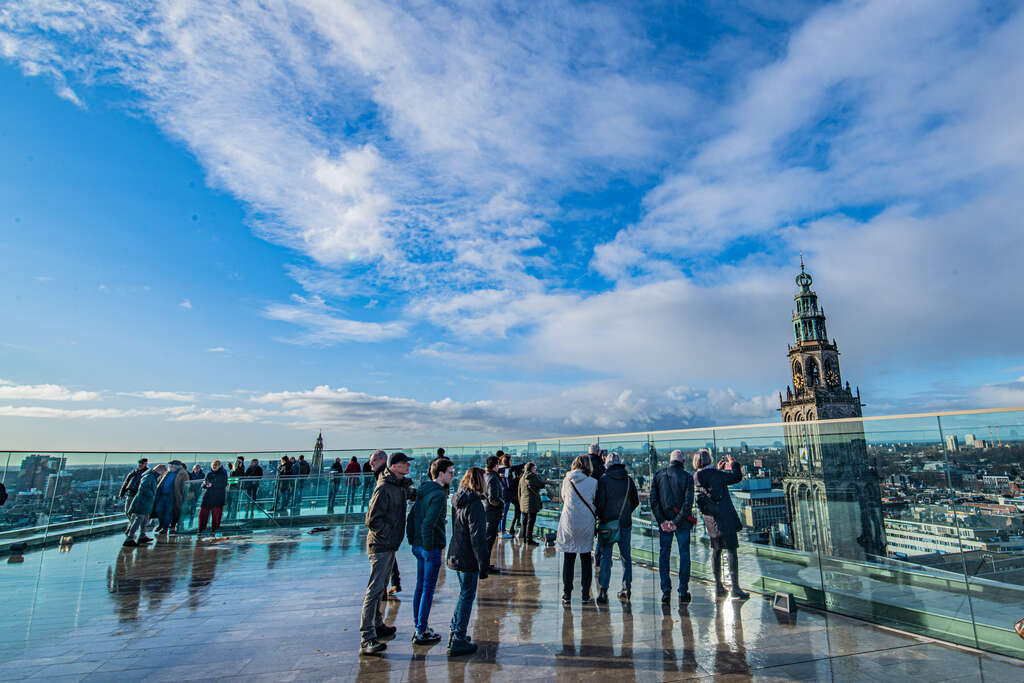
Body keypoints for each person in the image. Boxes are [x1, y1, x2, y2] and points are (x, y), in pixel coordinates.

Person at [359, 452, 413, 656]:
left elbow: (412, 494)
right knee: (374, 590)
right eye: (404, 463)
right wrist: (388, 534)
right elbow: (372, 520)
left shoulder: (397, 485)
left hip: (389, 544)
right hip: (381, 545)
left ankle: (377, 624)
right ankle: (367, 637)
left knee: (380, 587)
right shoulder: (384, 488)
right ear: (394, 466)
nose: (408, 466)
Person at [407, 457, 455, 645]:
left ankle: (419, 625)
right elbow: (429, 523)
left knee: (420, 586)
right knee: (428, 588)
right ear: (440, 473)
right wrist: (429, 547)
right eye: (450, 472)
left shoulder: (423, 490)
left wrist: (413, 540)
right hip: (430, 547)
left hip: (418, 545)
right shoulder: (439, 495)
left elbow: (412, 517)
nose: (452, 476)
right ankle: (421, 630)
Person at [445, 466, 489, 656]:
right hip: (468, 556)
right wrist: (483, 562)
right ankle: (459, 638)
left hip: (456, 552)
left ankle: (455, 631)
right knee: (467, 596)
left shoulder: (458, 499)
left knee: (464, 593)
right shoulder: (475, 504)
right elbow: (478, 536)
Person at [693, 450, 749, 600]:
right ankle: (735, 588)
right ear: (709, 459)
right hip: (725, 517)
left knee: (716, 551)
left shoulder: (696, 476)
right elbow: (736, 477)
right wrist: (733, 463)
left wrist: (718, 470)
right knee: (731, 551)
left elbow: (711, 485)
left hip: (711, 520)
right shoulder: (716, 475)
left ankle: (718, 586)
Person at [651, 449, 696, 604]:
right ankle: (683, 591)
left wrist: (663, 521)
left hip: (664, 523)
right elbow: (688, 503)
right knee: (684, 555)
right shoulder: (687, 477)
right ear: (683, 461)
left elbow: (654, 501)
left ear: (670, 460)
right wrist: (675, 522)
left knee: (664, 554)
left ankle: (666, 590)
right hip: (681, 523)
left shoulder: (658, 475)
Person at [594, 452, 639, 602]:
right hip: (625, 523)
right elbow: (635, 501)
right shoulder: (628, 480)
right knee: (626, 557)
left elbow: (600, 504)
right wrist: (626, 513)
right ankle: (626, 588)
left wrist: (603, 517)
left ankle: (603, 590)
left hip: (608, 524)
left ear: (607, 464)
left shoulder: (603, 480)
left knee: (606, 556)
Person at [556, 456, 597, 604]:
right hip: (586, 522)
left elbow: (564, 497)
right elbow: (594, 500)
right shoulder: (593, 482)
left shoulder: (567, 480)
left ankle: (567, 593)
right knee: (586, 558)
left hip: (569, 521)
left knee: (569, 558)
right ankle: (585, 594)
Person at [124, 464, 163, 547]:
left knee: (144, 519)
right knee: (139, 519)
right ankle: (130, 537)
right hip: (142, 502)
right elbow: (143, 488)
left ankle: (142, 536)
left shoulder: (151, 476)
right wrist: (152, 495)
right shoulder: (149, 477)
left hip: (146, 502)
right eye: (163, 472)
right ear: (159, 470)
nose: (162, 474)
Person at [483, 455, 504, 571]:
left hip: (486, 511)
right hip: (492, 513)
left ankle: (484, 563)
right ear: (496, 466)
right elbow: (493, 499)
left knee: (488, 538)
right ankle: (484, 565)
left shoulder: (485, 476)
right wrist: (502, 503)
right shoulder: (493, 478)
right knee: (489, 539)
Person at [154, 462, 186, 534]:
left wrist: (181, 496)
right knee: (159, 510)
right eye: (170, 466)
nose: (170, 467)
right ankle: (161, 524)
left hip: (172, 496)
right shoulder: (167, 473)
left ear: (176, 467)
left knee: (168, 512)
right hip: (162, 495)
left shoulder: (182, 474)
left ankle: (165, 528)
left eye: (172, 466)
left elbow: (184, 486)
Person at [518, 462, 545, 546]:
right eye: (535, 469)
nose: (536, 470)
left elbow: (519, 491)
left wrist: (520, 501)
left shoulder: (522, 477)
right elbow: (542, 484)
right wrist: (537, 475)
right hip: (532, 502)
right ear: (531, 469)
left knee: (525, 520)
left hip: (523, 502)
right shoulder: (533, 477)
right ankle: (529, 539)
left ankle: (525, 538)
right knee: (531, 521)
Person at [119, 458, 149, 533]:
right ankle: (132, 526)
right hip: (130, 494)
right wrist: (122, 493)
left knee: (134, 513)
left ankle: (130, 528)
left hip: (138, 495)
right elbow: (126, 482)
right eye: (139, 463)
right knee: (127, 512)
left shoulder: (147, 473)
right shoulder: (133, 472)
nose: (140, 465)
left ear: (145, 464)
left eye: (142, 464)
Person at [199, 459, 228, 535]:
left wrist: (212, 484)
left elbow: (224, 484)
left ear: (219, 466)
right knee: (203, 514)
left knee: (216, 516)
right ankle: (201, 529)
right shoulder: (209, 474)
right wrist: (205, 484)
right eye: (213, 465)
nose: (214, 466)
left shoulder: (223, 474)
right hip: (207, 497)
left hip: (218, 498)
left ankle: (215, 530)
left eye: (216, 465)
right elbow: (202, 485)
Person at [499, 454, 525, 538]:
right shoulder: (507, 470)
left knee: (501, 514)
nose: (511, 462)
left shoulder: (500, 469)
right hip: (507, 495)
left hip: (502, 494)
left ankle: (500, 530)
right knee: (504, 514)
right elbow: (509, 484)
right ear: (507, 461)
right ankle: (503, 532)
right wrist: (515, 482)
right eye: (510, 460)